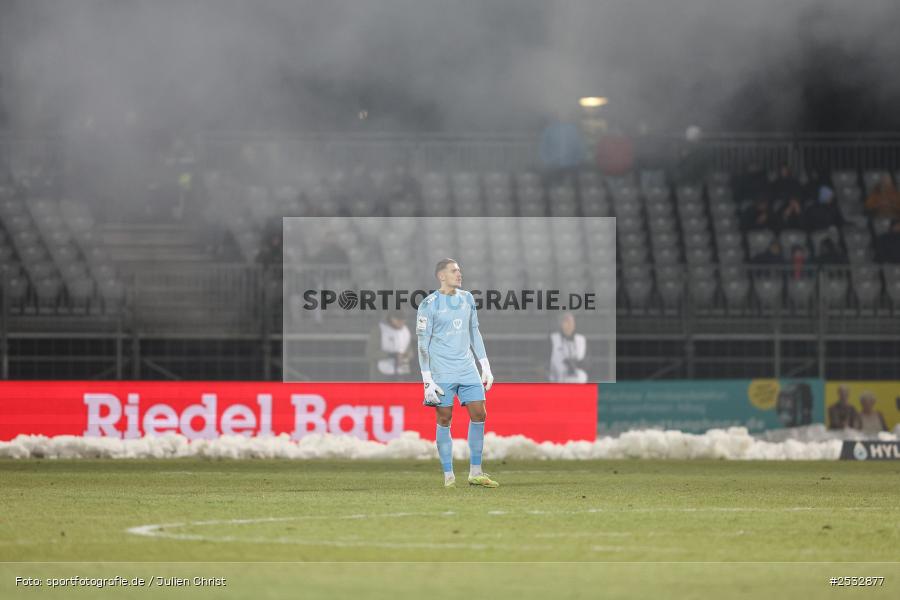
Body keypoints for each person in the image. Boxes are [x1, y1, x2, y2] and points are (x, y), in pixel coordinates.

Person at [416, 258, 497, 488]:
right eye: (454, 271)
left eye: (459, 270)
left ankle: (475, 472)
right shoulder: (428, 304)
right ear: (441, 276)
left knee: (479, 414)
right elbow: (422, 344)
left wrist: (485, 366)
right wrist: (427, 380)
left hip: (467, 368)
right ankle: (448, 475)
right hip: (442, 371)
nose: (459, 274)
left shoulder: (467, 298)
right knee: (444, 417)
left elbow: (474, 332)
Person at [366, 313, 413, 380]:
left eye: (403, 320)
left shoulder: (405, 331)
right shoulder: (379, 330)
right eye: (398, 320)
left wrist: (404, 356)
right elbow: (371, 353)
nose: (401, 322)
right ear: (391, 319)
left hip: (401, 372)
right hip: (382, 374)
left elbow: (410, 351)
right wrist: (392, 355)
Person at [548, 312, 588, 383]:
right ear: (561, 324)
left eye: (572, 322)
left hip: (577, 380)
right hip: (558, 380)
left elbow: (588, 362)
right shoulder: (552, 339)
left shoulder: (581, 340)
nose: (570, 324)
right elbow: (544, 362)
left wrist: (575, 363)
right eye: (567, 321)